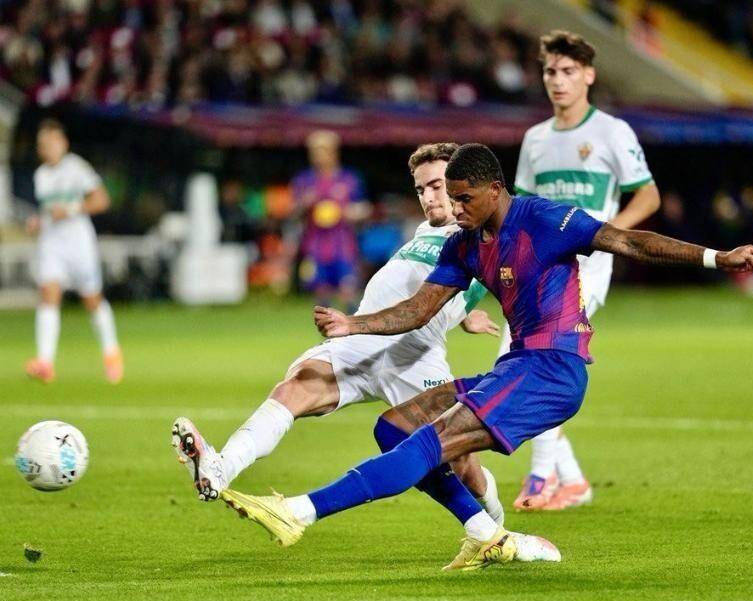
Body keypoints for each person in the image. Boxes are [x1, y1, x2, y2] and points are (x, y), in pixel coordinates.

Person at [217, 143, 753, 571]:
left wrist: (718, 257)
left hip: (553, 370)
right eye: (450, 197)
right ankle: (485, 532)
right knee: (395, 428)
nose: (454, 208)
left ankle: (298, 512)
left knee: (432, 442)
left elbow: (630, 241)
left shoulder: (547, 220)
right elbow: (418, 309)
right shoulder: (464, 244)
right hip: (517, 366)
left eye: (463, 198)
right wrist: (353, 324)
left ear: (494, 189)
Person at [172, 143, 561, 565]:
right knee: (296, 387)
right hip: (361, 341)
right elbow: (438, 287)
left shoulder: (480, 235)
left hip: (414, 354)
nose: (429, 197)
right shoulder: (426, 232)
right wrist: (466, 314)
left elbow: (457, 290)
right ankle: (220, 468)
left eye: (437, 186)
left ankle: (494, 527)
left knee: (461, 463)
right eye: (421, 189)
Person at [507, 30, 661, 511]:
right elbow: (520, 208)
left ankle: (541, 478)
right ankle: (572, 481)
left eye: (568, 71)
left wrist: (605, 235)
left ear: (589, 75)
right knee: (520, 361)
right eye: (551, 71)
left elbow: (648, 195)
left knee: (540, 358)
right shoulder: (535, 139)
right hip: (538, 268)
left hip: (588, 267)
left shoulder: (612, 132)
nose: (558, 80)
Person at [24, 119, 123, 384]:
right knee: (48, 294)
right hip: (52, 244)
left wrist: (69, 210)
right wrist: (38, 221)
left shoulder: (76, 168)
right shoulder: (41, 175)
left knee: (92, 299)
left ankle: (111, 352)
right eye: (42, 145)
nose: (46, 149)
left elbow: (102, 200)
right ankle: (45, 362)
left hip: (78, 243)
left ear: (63, 143)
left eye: (51, 143)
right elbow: (49, 212)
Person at [291, 130, 370, 311]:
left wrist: (351, 212)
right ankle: (328, 329)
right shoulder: (304, 181)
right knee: (321, 295)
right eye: (314, 152)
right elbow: (293, 212)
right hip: (315, 246)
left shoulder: (349, 179)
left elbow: (364, 208)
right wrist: (304, 204)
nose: (318, 156)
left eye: (323, 151)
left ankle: (353, 325)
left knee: (348, 291)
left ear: (334, 152)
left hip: (343, 245)